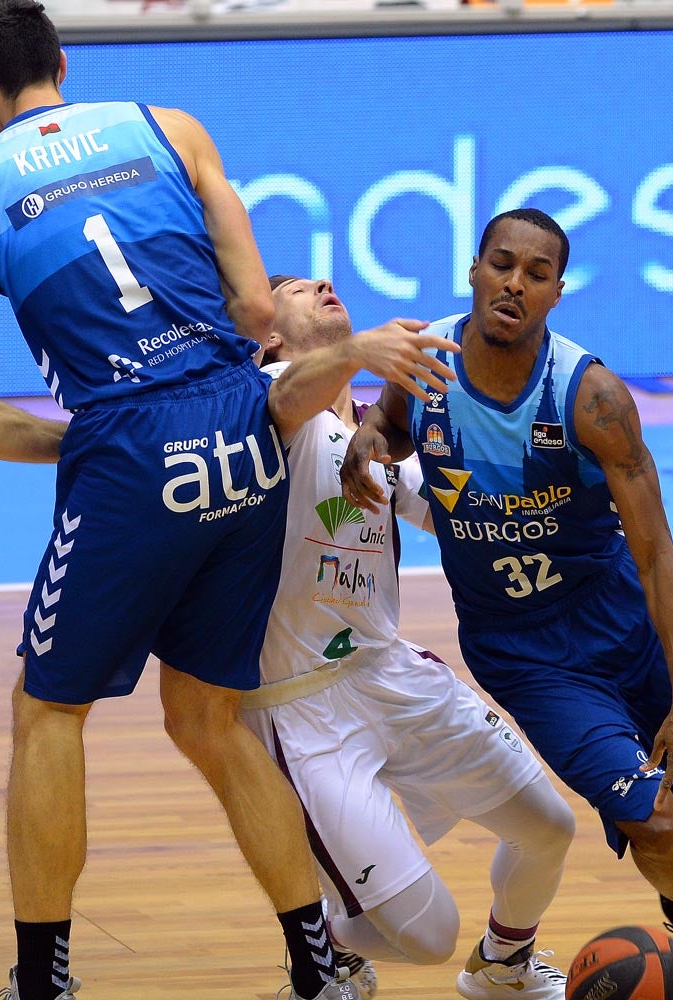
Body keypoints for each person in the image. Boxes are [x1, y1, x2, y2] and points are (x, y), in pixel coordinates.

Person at [0, 3, 379, 997]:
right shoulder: (173, 128)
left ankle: (43, 982)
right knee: (210, 716)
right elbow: (260, 313)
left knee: (47, 713)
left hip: (132, 445)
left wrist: (84, 445)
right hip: (244, 429)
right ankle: (319, 968)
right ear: (64, 63)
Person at [338, 208, 673, 1000]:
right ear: (473, 271)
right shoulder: (425, 361)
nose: (514, 282)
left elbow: (655, 551)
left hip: (626, 625)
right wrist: (372, 435)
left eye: (534, 273)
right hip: (524, 652)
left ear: (555, 292)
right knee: (652, 821)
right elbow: (398, 425)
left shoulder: (590, 396)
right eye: (501, 264)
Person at [245, 275, 577, 1000]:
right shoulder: (263, 400)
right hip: (302, 708)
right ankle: (324, 940)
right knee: (425, 939)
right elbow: (296, 401)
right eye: (298, 291)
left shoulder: (375, 426)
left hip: (391, 674)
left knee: (548, 828)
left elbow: (453, 509)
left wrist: (553, 489)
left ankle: (502, 967)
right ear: (268, 337)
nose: (323, 285)